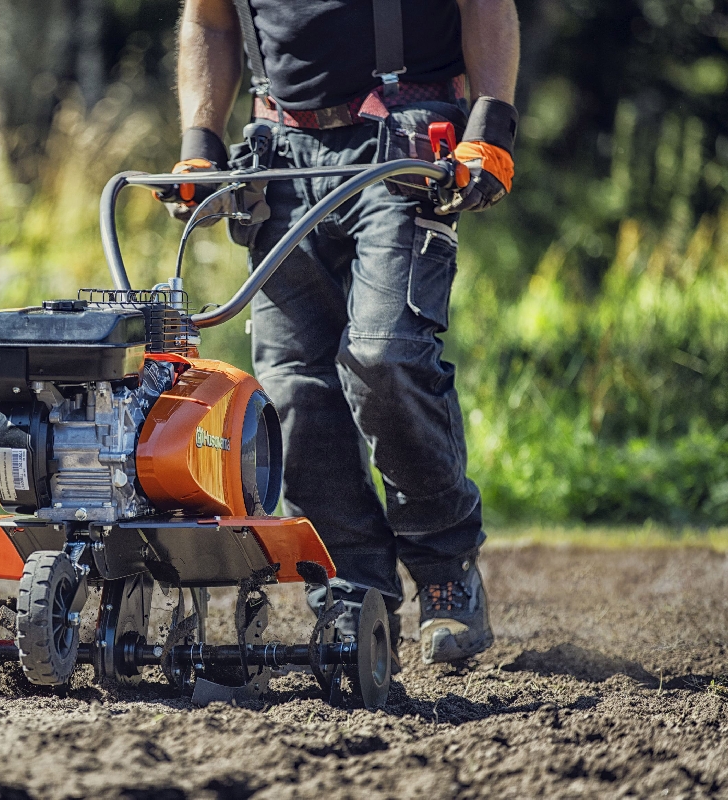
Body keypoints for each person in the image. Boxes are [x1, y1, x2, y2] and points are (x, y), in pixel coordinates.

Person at [162, 0, 519, 665]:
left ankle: (445, 569)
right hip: (279, 159)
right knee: (291, 392)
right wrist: (200, 143)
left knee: (384, 356)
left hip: (404, 142)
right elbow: (211, 20)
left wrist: (491, 124)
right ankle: (357, 589)